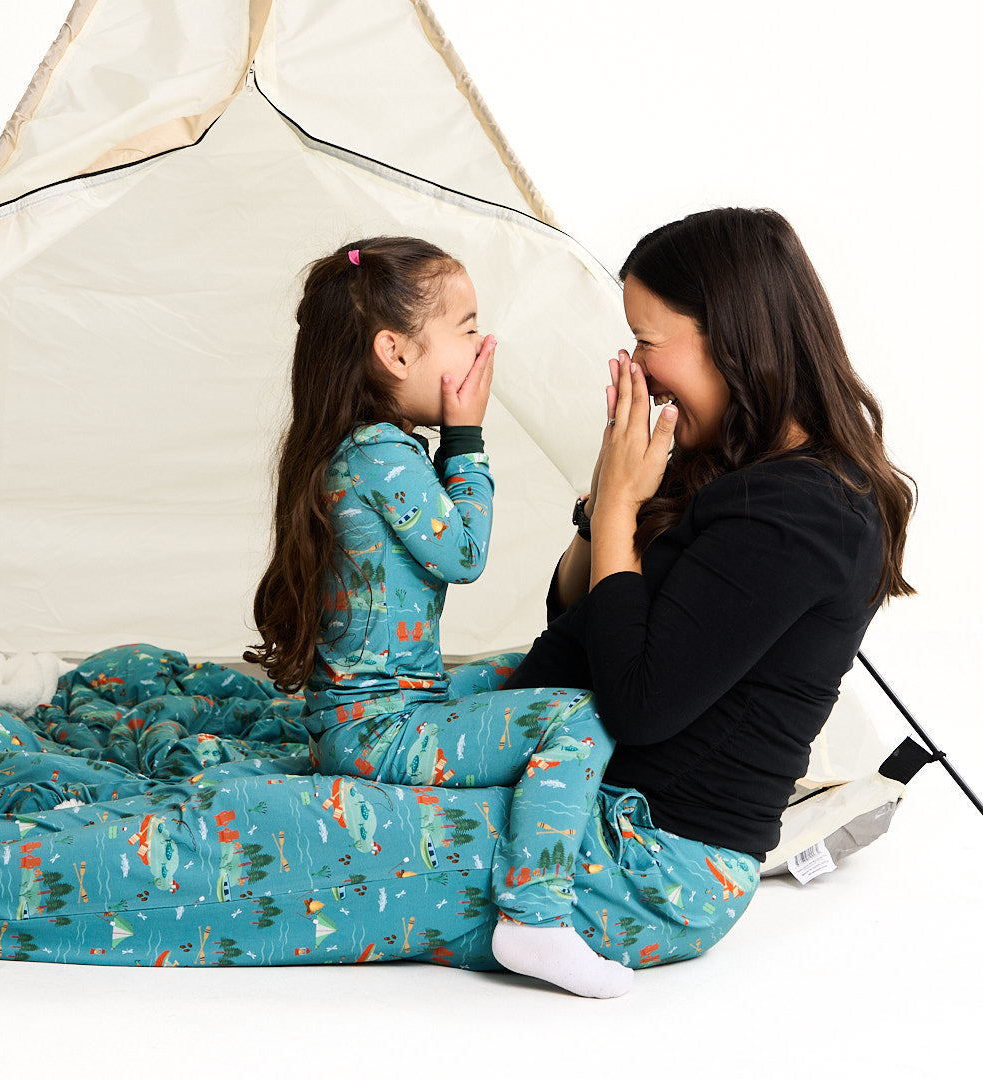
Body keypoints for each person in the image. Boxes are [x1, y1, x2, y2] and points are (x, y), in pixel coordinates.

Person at [245, 236, 632, 998]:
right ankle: (534, 917)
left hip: (390, 709)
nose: (485, 344)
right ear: (394, 352)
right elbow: (463, 552)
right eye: (466, 326)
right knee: (578, 715)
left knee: (531, 667)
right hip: (377, 729)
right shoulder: (380, 454)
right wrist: (467, 436)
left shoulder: (369, 448)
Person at [505, 207, 915, 875]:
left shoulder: (802, 513)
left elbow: (637, 703)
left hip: (630, 846)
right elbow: (582, 620)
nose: (637, 364)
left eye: (647, 338)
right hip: (564, 798)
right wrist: (606, 500)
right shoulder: (725, 460)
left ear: (732, 338)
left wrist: (618, 510)